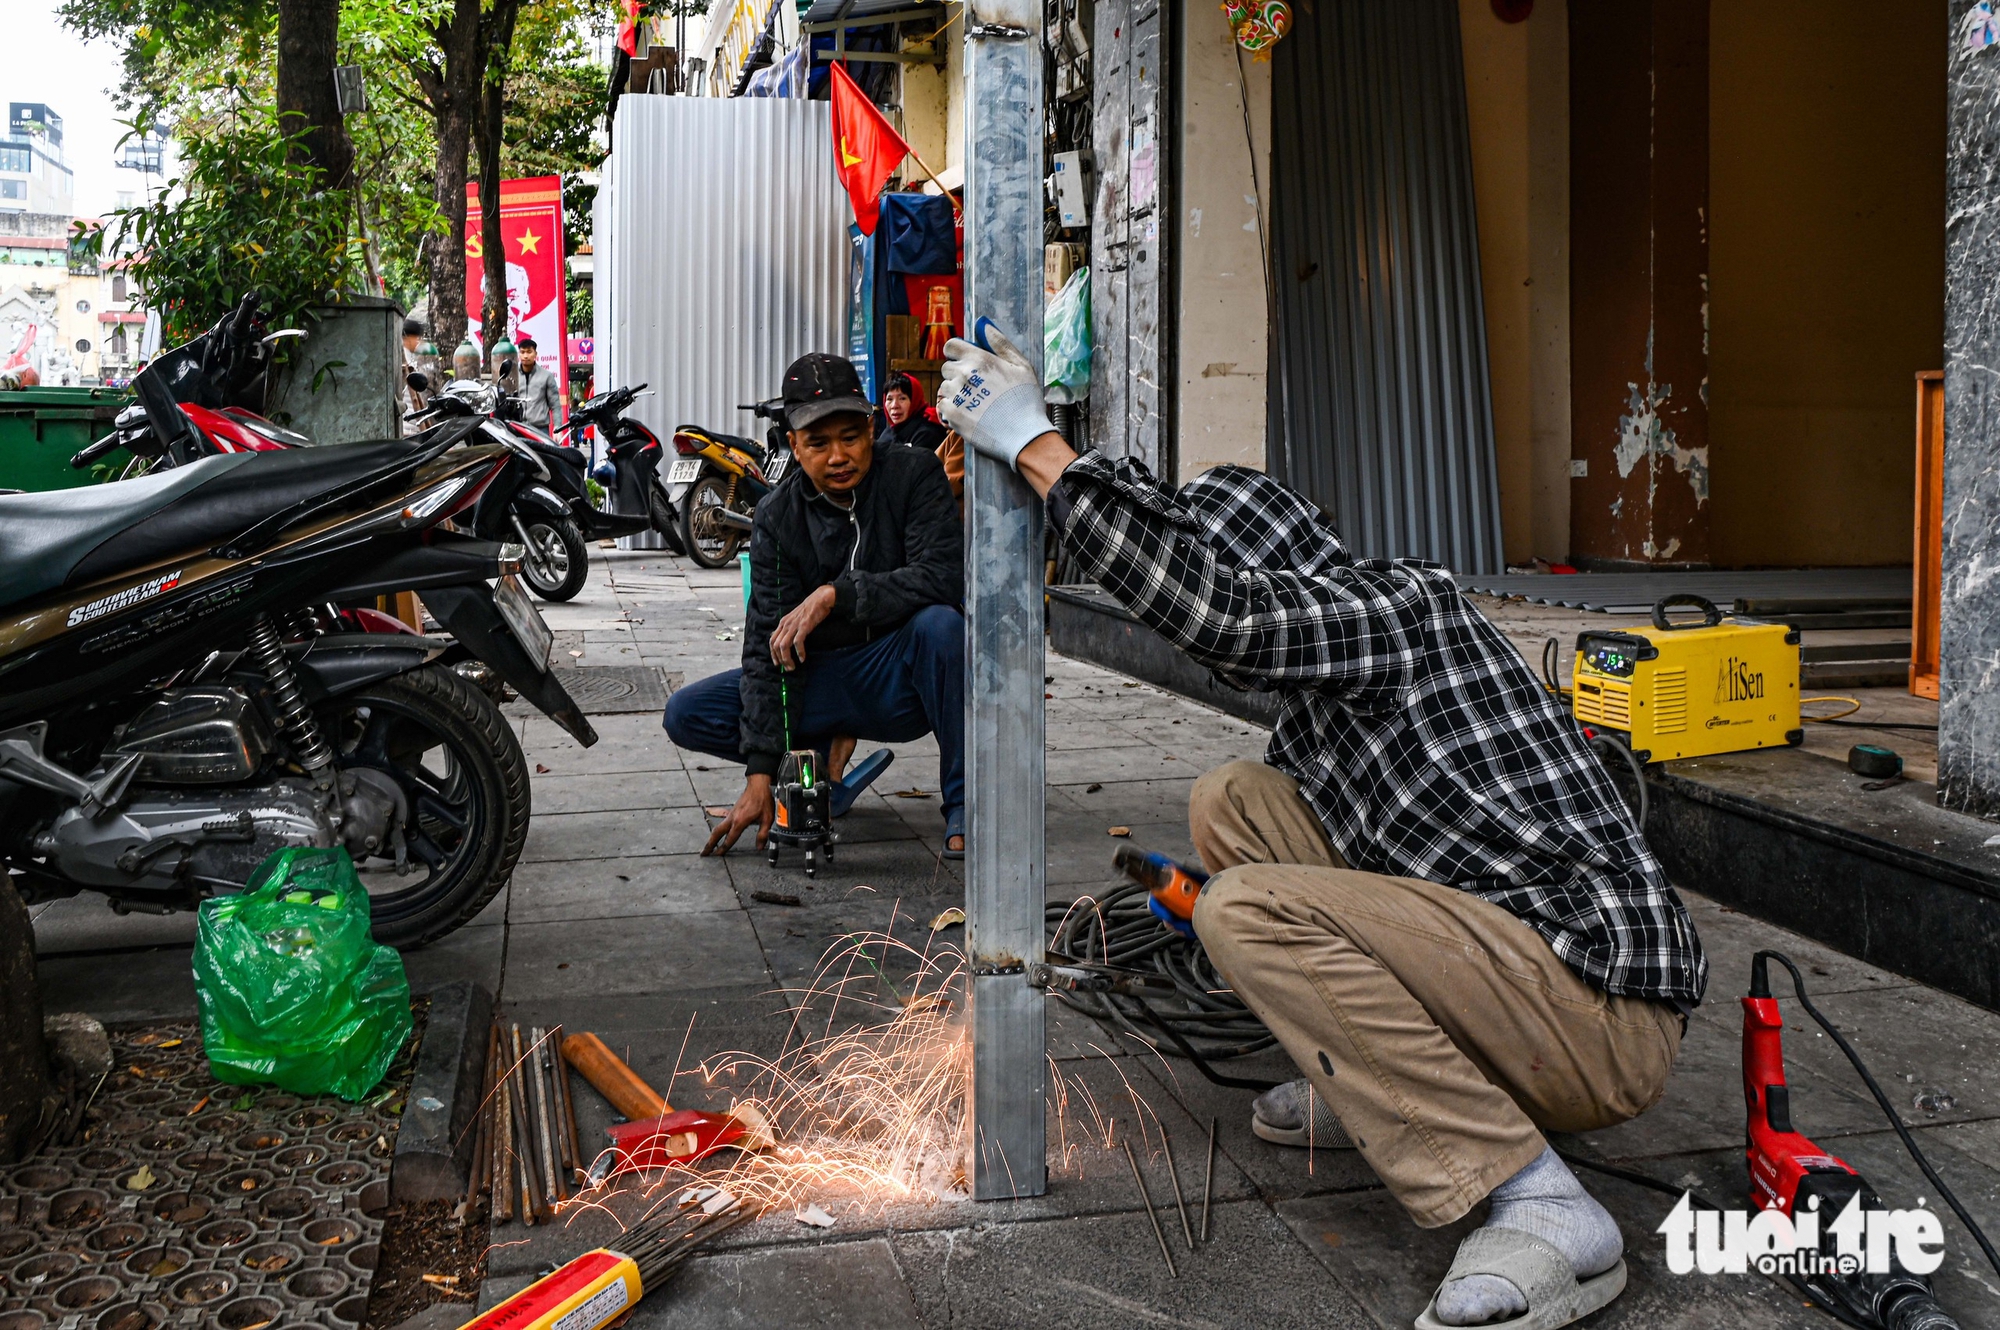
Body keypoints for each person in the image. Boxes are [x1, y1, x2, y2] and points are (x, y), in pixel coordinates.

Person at [938, 329, 1704, 1329]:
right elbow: (1209, 590)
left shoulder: (1392, 609)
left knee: (1247, 910)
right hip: (1509, 969)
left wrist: (1040, 446)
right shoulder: (1318, 701)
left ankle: (1543, 1204)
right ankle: (1373, 1083)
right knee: (1233, 799)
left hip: (1594, 1010)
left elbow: (1228, 615)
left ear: (1281, 565)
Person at [665, 352, 968, 858]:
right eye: (818, 443)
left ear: (871, 430)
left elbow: (941, 577)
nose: (837, 457)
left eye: (850, 437)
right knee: (685, 713)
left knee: (942, 627)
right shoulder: (776, 517)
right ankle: (812, 757)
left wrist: (836, 595)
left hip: (896, 679)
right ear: (793, 446)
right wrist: (760, 772)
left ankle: (964, 803)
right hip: (818, 683)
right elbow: (768, 644)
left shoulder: (914, 474)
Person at [876, 371, 946, 450]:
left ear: (914, 400)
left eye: (902, 398)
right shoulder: (889, 432)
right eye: (889, 399)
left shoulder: (927, 433)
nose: (894, 406)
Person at [517, 337, 562, 434]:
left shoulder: (546, 376)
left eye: (529, 352)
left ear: (535, 354)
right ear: (519, 354)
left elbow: (555, 404)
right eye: (522, 352)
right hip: (518, 428)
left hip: (540, 429)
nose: (525, 356)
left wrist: (558, 427)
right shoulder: (513, 376)